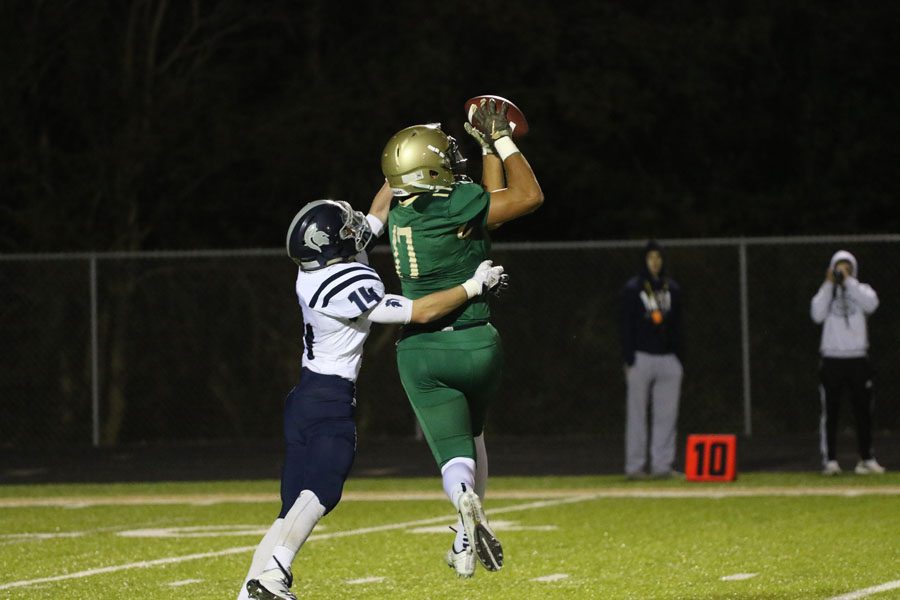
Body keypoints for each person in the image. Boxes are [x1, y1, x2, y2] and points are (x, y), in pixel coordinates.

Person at [239, 194, 508, 600]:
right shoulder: (342, 285)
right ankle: (273, 577)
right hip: (329, 401)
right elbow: (421, 313)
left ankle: (249, 593)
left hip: (304, 398)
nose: (356, 229)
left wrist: (395, 177)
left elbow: (376, 215)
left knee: (291, 509)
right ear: (332, 245)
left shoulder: (319, 267)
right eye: (346, 228)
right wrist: (473, 286)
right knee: (324, 489)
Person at [371, 99, 543, 578]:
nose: (452, 161)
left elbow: (490, 206)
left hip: (422, 353)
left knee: (453, 455)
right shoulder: (455, 204)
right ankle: (466, 536)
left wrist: (485, 147)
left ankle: (463, 502)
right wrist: (501, 141)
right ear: (428, 169)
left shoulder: (401, 215)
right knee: (475, 434)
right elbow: (524, 198)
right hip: (476, 343)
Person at [810, 250, 884, 476]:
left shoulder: (861, 289)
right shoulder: (826, 291)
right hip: (832, 358)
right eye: (839, 267)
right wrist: (828, 284)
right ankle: (830, 460)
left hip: (858, 358)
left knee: (863, 411)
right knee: (830, 412)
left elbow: (872, 304)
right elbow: (816, 314)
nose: (842, 271)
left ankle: (866, 459)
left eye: (846, 267)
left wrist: (848, 281)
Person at [620, 240, 684, 480]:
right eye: (651, 257)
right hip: (641, 358)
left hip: (668, 359)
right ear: (644, 260)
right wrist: (629, 357)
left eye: (659, 257)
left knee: (667, 416)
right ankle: (634, 467)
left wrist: (679, 356)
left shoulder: (673, 288)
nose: (655, 262)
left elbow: (679, 326)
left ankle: (662, 466)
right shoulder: (633, 288)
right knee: (636, 416)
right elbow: (625, 325)